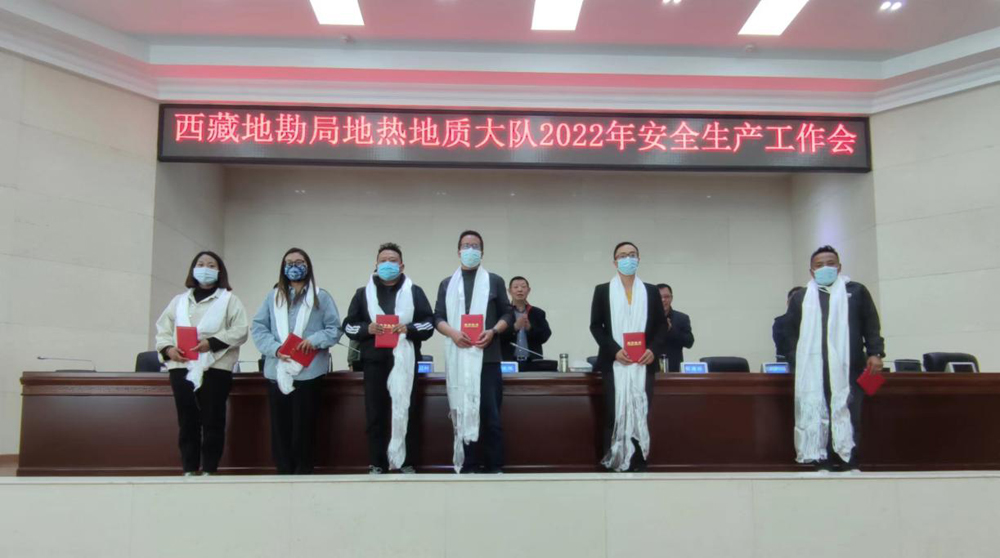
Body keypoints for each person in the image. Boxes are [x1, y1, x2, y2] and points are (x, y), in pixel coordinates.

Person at [785, 245, 885, 471]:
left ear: (839, 267)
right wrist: (795, 359)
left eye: (830, 264)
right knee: (817, 410)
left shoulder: (856, 292)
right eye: (819, 265)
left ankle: (847, 458)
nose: (825, 268)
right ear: (811, 271)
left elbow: (871, 324)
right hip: (814, 369)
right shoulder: (802, 297)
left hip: (849, 366)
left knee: (848, 411)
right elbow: (789, 332)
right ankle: (819, 456)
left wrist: (875, 353)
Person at [342, 243, 435, 474]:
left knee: (406, 410)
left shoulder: (415, 292)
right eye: (383, 260)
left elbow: (429, 324)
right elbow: (348, 326)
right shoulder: (362, 293)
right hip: (374, 362)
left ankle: (406, 462)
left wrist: (408, 329)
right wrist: (367, 329)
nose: (387, 264)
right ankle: (377, 462)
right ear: (376, 265)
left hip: (405, 361)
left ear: (401, 265)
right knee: (375, 413)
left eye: (392, 260)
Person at [154, 251, 249, 476]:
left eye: (211, 265)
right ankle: (189, 468)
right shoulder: (179, 301)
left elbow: (240, 330)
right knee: (187, 420)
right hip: (181, 366)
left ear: (219, 271)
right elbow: (163, 330)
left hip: (215, 367)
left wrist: (211, 343)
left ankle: (209, 469)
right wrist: (169, 349)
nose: (205, 268)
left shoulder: (230, 300)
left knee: (212, 420)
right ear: (193, 269)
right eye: (201, 264)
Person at [251, 247, 342, 475]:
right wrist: (275, 349)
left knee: (305, 427)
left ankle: (304, 472)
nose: (294, 266)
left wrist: (315, 340)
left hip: (309, 372)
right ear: (283, 268)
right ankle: (283, 472)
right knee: (280, 427)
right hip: (277, 370)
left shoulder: (321, 297)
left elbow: (334, 329)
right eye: (289, 262)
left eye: (299, 262)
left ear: (308, 266)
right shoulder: (273, 297)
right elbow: (259, 328)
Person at [434, 230, 513, 474]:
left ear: (482, 252)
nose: (470, 250)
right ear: (458, 251)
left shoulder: (495, 281)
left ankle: (494, 465)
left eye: (475, 246)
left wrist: (493, 331)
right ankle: (468, 465)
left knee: (490, 415)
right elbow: (437, 317)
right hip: (459, 358)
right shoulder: (447, 284)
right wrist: (453, 333)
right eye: (466, 245)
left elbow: (508, 314)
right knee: (462, 411)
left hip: (487, 359)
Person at [590, 242, 668, 472]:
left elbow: (661, 326)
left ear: (639, 259)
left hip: (644, 363)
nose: (628, 259)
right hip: (614, 363)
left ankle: (638, 461)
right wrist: (614, 350)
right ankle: (613, 460)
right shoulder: (602, 290)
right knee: (614, 413)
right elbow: (596, 326)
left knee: (640, 410)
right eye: (623, 256)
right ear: (615, 262)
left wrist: (652, 349)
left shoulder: (651, 291)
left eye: (632, 255)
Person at [499, 276, 552, 370]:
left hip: (532, 363)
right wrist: (514, 328)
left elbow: (545, 336)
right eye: (516, 287)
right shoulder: (502, 312)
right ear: (509, 291)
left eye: (523, 287)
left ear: (529, 290)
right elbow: (496, 337)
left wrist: (530, 328)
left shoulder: (537, 313)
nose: (520, 290)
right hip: (509, 362)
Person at [656, 283, 694, 372]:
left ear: (671, 298)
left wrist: (671, 330)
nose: (663, 300)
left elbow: (689, 342)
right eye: (659, 297)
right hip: (651, 369)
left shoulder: (682, 318)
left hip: (674, 368)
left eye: (666, 297)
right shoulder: (646, 318)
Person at [773, 287, 805, 362]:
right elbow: (787, 346)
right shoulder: (780, 322)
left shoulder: (813, 321)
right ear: (788, 302)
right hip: (788, 363)